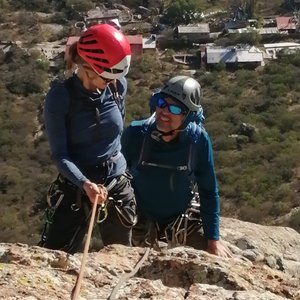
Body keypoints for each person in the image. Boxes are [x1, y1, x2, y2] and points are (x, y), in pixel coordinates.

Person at [41, 24, 137, 254]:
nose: (111, 81)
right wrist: (84, 183)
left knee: (121, 256)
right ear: (87, 66)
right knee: (56, 256)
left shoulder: (116, 85)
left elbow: (115, 135)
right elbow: (60, 154)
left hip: (115, 183)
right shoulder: (60, 97)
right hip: (76, 185)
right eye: (106, 76)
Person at [121, 76, 232, 258]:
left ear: (189, 116)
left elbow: (208, 190)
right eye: (161, 102)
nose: (164, 111)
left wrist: (213, 240)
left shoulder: (198, 141)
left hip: (181, 217)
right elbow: (115, 176)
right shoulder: (136, 134)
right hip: (140, 216)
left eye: (174, 108)